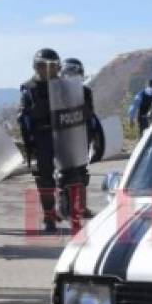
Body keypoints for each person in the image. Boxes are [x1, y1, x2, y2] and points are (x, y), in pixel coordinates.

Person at [19, 48, 62, 234]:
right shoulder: (28, 89)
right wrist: (30, 142)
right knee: (44, 180)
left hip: (63, 135)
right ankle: (49, 216)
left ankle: (69, 210)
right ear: (37, 67)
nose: (48, 70)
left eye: (52, 67)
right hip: (41, 138)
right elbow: (23, 117)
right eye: (44, 66)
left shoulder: (63, 86)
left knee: (73, 177)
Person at [61, 57, 96, 219]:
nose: (71, 76)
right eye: (68, 73)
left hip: (82, 135)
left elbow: (89, 114)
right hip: (63, 136)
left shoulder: (86, 92)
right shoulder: (57, 92)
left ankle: (82, 206)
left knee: (82, 172)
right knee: (64, 173)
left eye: (74, 73)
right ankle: (65, 206)